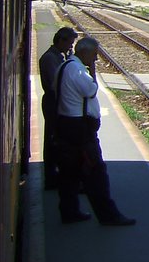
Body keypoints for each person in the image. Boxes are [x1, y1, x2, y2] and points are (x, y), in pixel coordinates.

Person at [54, 37, 136, 226]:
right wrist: (92, 71)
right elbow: (91, 90)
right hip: (79, 130)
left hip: (66, 125)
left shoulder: (64, 67)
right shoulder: (76, 70)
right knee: (95, 172)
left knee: (69, 173)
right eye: (94, 55)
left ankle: (69, 212)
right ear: (84, 53)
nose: (96, 59)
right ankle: (108, 216)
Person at [38, 27, 77, 190]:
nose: (70, 47)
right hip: (52, 102)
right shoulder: (49, 58)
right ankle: (51, 177)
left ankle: (55, 175)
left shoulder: (57, 56)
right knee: (53, 139)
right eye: (69, 43)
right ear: (61, 40)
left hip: (56, 101)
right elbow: (57, 83)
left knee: (57, 139)